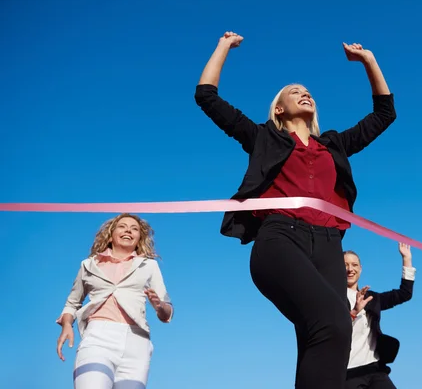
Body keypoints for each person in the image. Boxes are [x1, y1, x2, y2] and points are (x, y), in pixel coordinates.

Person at [194, 31, 397, 389]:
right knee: (334, 322)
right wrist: (223, 47)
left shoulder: (333, 144)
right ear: (278, 109)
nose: (305, 93)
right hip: (280, 239)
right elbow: (207, 97)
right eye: (294, 91)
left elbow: (385, 114)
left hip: (329, 246)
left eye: (308, 91)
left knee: (325, 337)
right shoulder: (263, 138)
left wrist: (369, 61)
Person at [55, 213, 174, 389]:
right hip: (98, 338)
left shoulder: (148, 265)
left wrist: (159, 306)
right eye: (123, 226)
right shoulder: (89, 265)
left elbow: (167, 312)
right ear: (111, 235)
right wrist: (66, 325)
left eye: (134, 229)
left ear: (139, 238)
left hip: (137, 342)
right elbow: (72, 303)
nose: (128, 230)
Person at [344, 243, 415, 389]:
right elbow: (333, 329)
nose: (350, 269)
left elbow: (404, 294)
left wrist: (406, 259)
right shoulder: (332, 298)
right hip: (348, 373)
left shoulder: (371, 298)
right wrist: (354, 312)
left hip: (375, 369)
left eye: (354, 265)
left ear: (360, 269)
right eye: (345, 265)